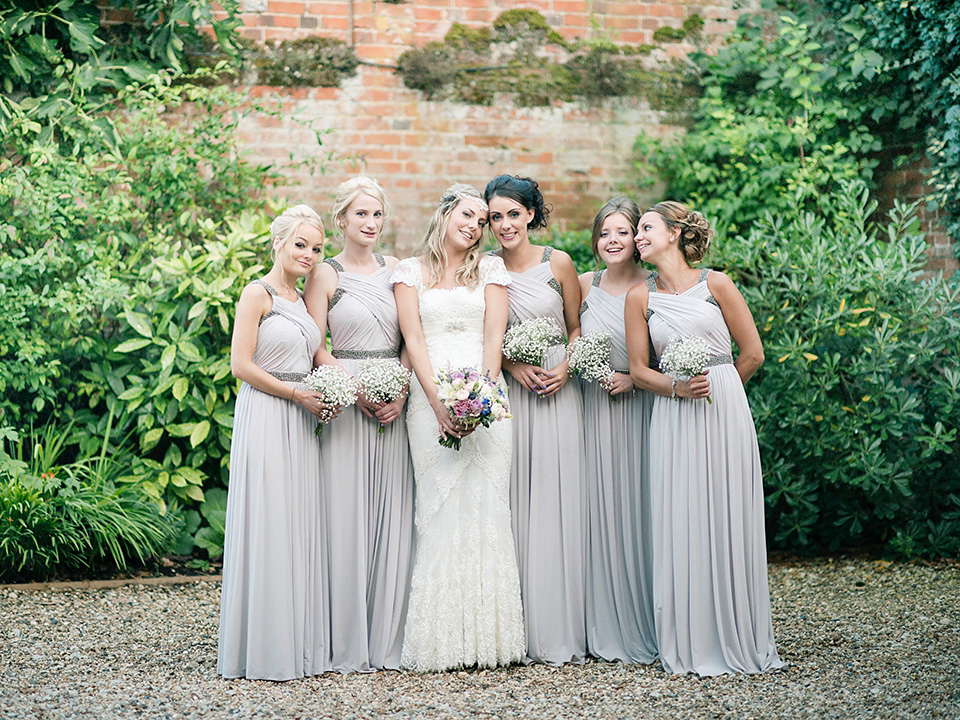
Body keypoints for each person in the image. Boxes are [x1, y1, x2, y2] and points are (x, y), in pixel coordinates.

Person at [624, 201, 784, 676]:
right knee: (682, 513)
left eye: (646, 228)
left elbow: (752, 354)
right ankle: (690, 638)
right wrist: (678, 388)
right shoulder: (640, 297)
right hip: (673, 415)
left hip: (722, 412)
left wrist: (720, 391)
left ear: (674, 233)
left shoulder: (717, 284)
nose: (637, 237)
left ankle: (737, 631)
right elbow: (638, 370)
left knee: (726, 510)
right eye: (636, 231)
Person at [391, 183, 524, 672]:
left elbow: (494, 337)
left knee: (488, 504)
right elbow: (414, 341)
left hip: (484, 397)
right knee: (439, 505)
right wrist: (439, 403)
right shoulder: (408, 272)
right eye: (467, 215)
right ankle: (440, 642)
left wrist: (478, 401)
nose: (475, 226)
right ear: (446, 213)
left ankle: (490, 640)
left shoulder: (490, 269)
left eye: (482, 221)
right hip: (429, 403)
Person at [218, 204, 335, 681]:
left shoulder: (303, 301)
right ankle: (262, 647)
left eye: (316, 248)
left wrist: (351, 387)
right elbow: (240, 365)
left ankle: (297, 642)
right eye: (300, 245)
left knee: (296, 521)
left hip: (303, 417)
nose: (308, 254)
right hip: (269, 412)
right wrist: (294, 393)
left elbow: (316, 354)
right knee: (268, 520)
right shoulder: (258, 293)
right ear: (280, 244)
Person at [303, 177, 415, 673]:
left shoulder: (397, 271)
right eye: (361, 215)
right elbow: (315, 343)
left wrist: (404, 386)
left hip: (394, 398)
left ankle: (387, 637)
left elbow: (414, 335)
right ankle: (343, 638)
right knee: (345, 513)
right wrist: (352, 387)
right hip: (348, 403)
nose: (370, 224)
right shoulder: (325, 274)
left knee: (393, 513)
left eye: (377, 215)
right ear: (341, 220)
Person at [484, 174, 586, 666]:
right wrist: (510, 364)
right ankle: (514, 625)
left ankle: (558, 622)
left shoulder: (557, 263)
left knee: (555, 494)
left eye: (512, 214)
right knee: (512, 495)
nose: (504, 225)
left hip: (558, 391)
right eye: (495, 217)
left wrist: (566, 364)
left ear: (530, 213)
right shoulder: (484, 268)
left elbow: (576, 326)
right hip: (512, 394)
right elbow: (482, 337)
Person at [578, 197, 657, 664]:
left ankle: (645, 615)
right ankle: (600, 621)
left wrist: (634, 377)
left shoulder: (654, 285)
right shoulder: (584, 285)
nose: (613, 240)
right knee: (596, 508)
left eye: (623, 232)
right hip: (591, 408)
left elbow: (669, 348)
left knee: (639, 502)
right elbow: (568, 335)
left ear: (638, 240)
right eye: (605, 232)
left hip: (640, 406)